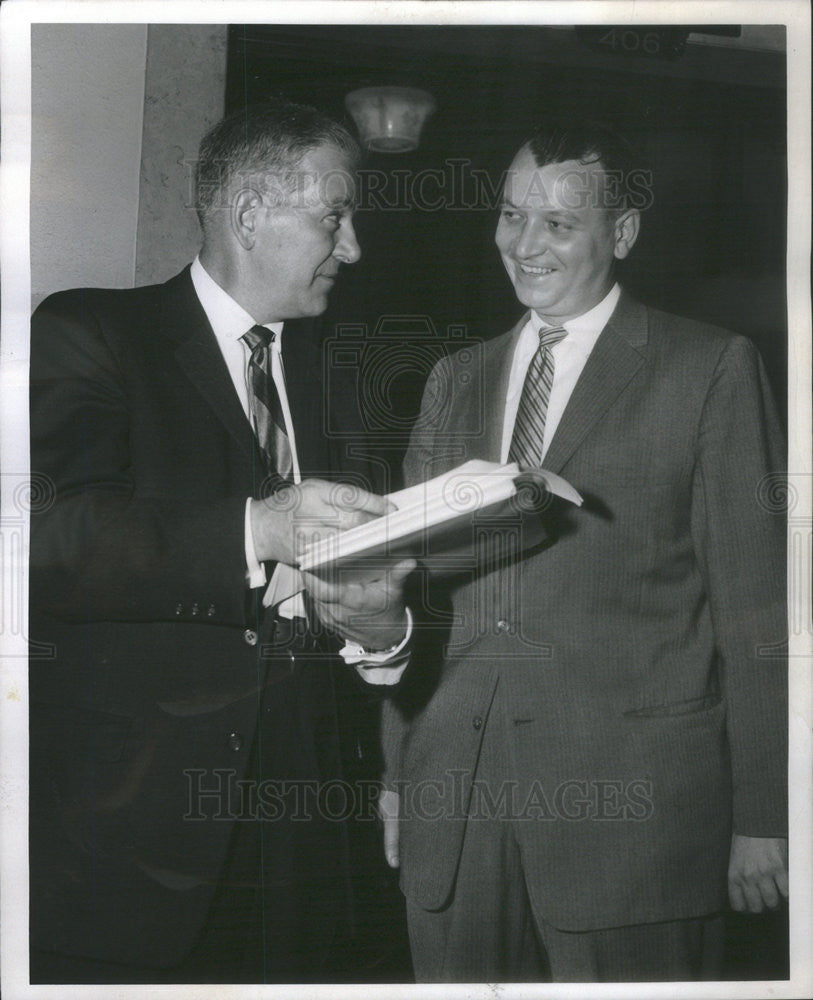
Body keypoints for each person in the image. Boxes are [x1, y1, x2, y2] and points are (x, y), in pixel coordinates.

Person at [380, 122, 788, 982]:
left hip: (632, 820)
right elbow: (409, 593)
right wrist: (395, 774)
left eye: (557, 225)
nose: (523, 246)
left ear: (623, 234)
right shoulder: (453, 376)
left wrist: (765, 812)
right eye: (508, 215)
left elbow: (756, 608)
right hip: (452, 803)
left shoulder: (708, 367)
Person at [29, 100, 412, 984]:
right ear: (248, 214)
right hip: (121, 855)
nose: (351, 248)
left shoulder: (340, 377)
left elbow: (371, 615)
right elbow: (48, 538)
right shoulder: (90, 334)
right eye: (334, 218)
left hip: (302, 860)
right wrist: (260, 527)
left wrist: (382, 631)